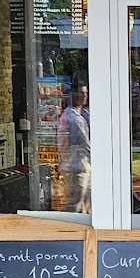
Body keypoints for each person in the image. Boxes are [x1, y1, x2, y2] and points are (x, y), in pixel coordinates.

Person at [58, 81, 91, 212]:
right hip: (77, 165)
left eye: (86, 93)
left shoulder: (81, 114)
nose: (85, 96)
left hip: (81, 164)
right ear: (73, 95)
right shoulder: (74, 118)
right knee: (75, 205)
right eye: (81, 93)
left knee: (86, 204)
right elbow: (85, 143)